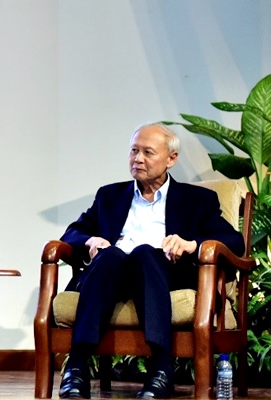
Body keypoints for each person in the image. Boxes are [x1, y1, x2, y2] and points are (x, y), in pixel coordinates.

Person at [57, 123, 244, 399]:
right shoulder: (109, 196)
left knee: (146, 253)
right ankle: (77, 367)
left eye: (147, 152)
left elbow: (234, 242)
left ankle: (160, 369)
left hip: (161, 277)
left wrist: (192, 245)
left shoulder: (197, 200)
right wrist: (90, 241)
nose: (137, 159)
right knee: (110, 256)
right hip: (109, 276)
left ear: (171, 159)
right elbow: (72, 232)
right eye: (134, 151)